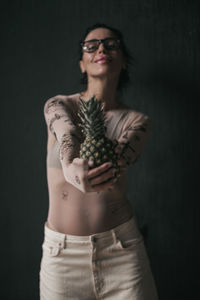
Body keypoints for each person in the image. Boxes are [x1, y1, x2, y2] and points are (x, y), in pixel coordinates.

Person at [39, 23, 159, 300]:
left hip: (122, 251)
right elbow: (67, 131)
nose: (101, 49)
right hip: (62, 257)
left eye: (111, 44)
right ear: (82, 64)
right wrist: (70, 166)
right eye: (91, 46)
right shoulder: (58, 105)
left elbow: (122, 155)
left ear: (124, 60)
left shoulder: (138, 121)